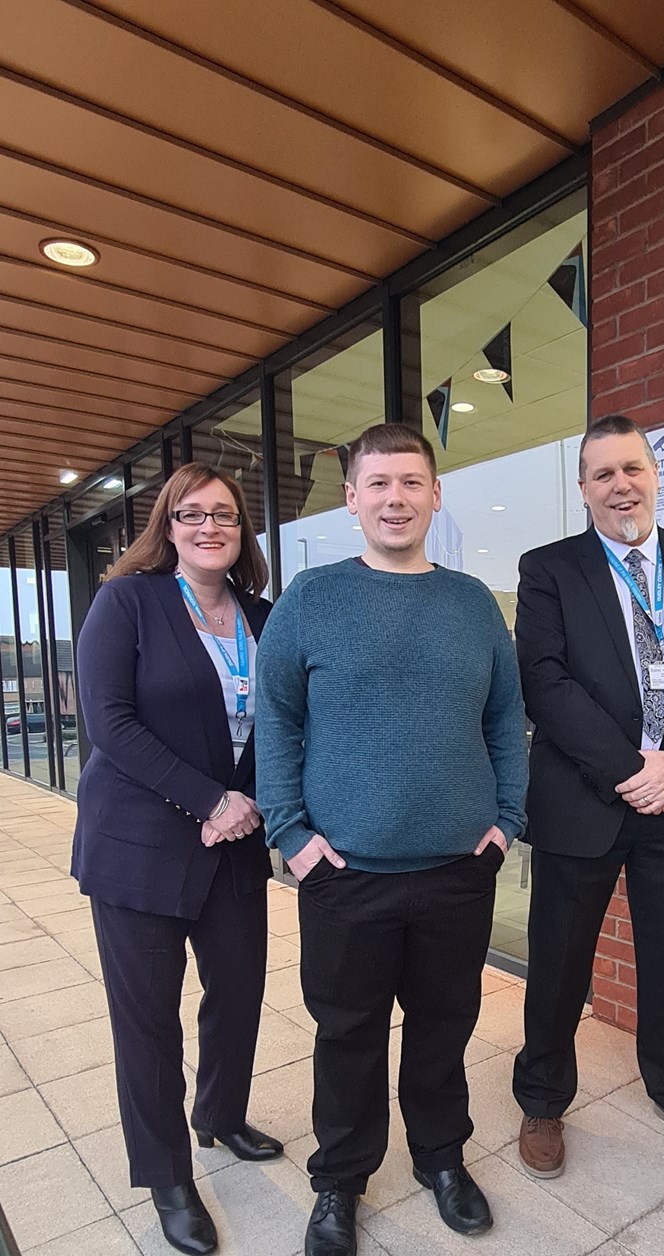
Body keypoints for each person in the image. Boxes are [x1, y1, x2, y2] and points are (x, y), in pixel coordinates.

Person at [256, 423, 528, 1256]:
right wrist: (290, 833)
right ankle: (340, 1179)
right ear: (351, 499)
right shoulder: (311, 599)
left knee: (445, 1024)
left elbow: (507, 721)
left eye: (411, 482)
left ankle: (441, 1158)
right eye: (378, 484)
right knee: (349, 1034)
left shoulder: (473, 603)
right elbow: (275, 719)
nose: (395, 498)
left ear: (435, 494)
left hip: (457, 867)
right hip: (344, 873)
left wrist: (507, 820)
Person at [512, 415, 664, 1179]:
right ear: (583, 490)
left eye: (632, 469)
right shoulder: (549, 568)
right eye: (603, 474)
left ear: (656, 476)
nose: (621, 486)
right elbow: (544, 682)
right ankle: (543, 1101)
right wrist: (630, 769)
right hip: (584, 802)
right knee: (558, 965)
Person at [71, 463, 283, 1256]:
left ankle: (220, 1117)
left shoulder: (263, 617)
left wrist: (254, 799)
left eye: (224, 515)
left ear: (241, 530)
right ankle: (165, 1173)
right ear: (166, 526)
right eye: (191, 514)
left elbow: (283, 722)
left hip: (235, 845)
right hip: (141, 848)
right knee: (148, 1020)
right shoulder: (126, 602)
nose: (208, 527)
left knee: (238, 994)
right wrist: (210, 800)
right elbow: (110, 722)